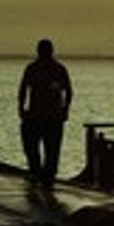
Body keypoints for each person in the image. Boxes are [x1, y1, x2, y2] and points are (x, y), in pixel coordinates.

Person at [17, 38, 73, 184]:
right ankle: (41, 173)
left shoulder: (54, 69)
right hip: (41, 115)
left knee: (49, 150)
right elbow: (23, 89)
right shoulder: (39, 68)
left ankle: (43, 174)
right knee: (42, 148)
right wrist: (21, 108)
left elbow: (68, 91)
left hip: (48, 116)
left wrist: (65, 110)